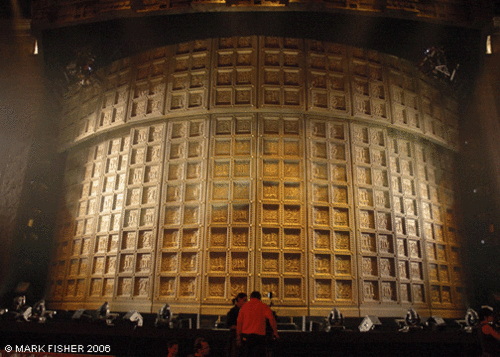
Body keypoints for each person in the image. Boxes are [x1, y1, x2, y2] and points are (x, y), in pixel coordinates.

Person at [236, 291, 278, 357]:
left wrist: (238, 336)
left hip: (246, 336)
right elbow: (272, 319)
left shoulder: (244, 307)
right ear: (259, 298)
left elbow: (239, 322)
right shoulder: (264, 306)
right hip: (259, 337)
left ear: (250, 297)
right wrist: (275, 333)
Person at [226, 293, 248, 357]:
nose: (246, 302)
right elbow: (229, 325)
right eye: (244, 300)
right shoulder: (233, 312)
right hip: (235, 338)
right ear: (239, 300)